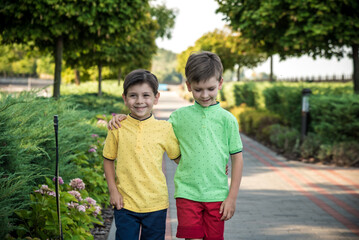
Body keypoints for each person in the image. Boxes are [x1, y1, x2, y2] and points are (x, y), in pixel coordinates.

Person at [109, 51, 244, 240]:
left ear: (220, 83)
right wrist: (123, 119)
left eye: (211, 89)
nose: (205, 95)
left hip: (217, 193)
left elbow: (237, 158)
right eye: (198, 90)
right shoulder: (178, 118)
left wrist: (232, 197)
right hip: (187, 192)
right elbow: (150, 125)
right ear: (188, 86)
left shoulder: (228, 120)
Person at [103, 69, 181, 240]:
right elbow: (108, 159)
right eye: (133, 96)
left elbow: (179, 159)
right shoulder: (117, 127)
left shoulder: (165, 129)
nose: (139, 101)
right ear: (124, 98)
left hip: (156, 203)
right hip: (125, 203)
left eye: (146, 95)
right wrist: (113, 191)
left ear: (156, 97)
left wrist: (213, 164)